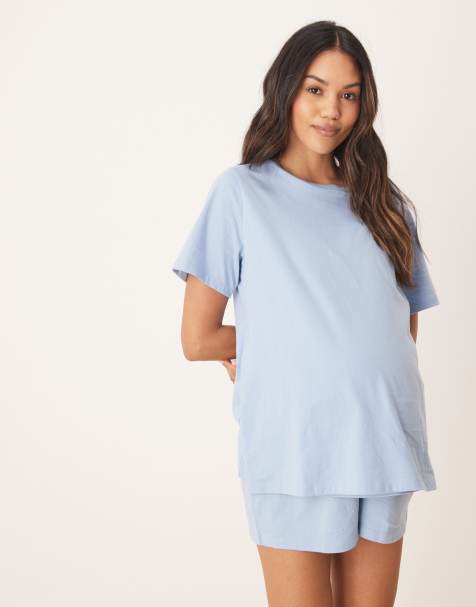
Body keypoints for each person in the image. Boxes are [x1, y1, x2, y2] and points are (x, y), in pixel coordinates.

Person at [171, 20, 440, 607]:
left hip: (384, 440)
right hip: (295, 446)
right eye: (315, 89)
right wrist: (279, 343)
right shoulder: (241, 194)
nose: (331, 111)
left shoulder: (385, 204)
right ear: (286, 89)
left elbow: (402, 325)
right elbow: (198, 337)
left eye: (349, 95)